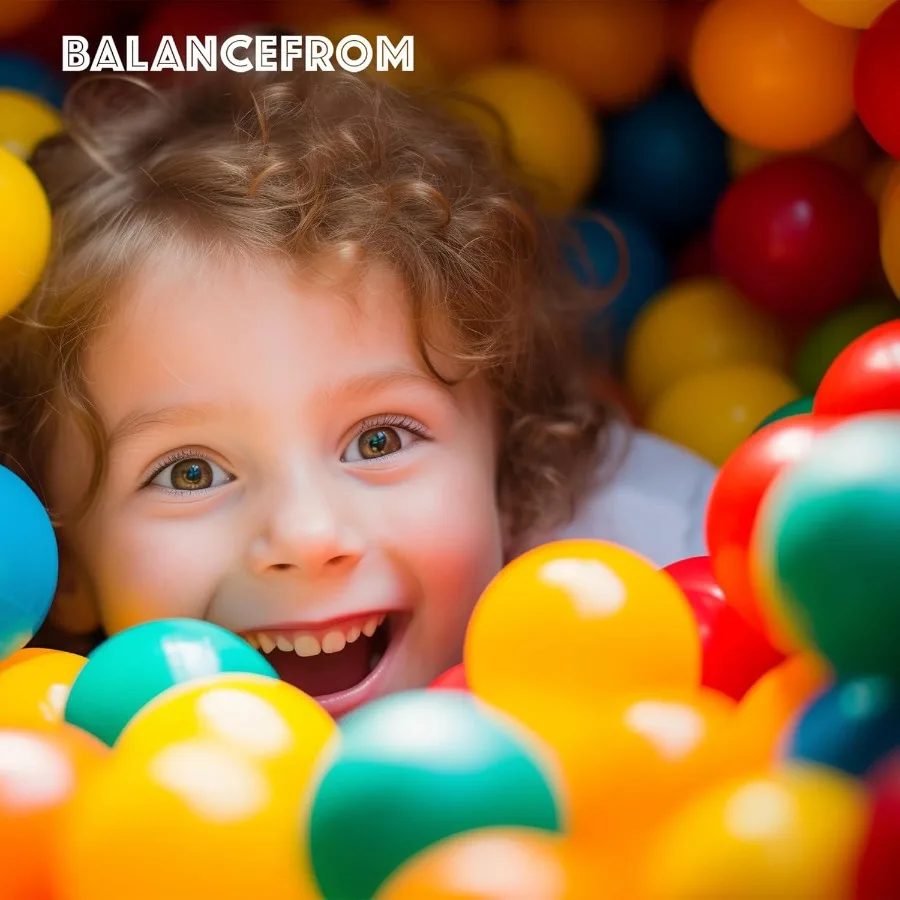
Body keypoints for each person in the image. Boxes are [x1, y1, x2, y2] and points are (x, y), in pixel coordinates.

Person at [0, 68, 714, 717]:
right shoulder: (51, 758)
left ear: (507, 462)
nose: (308, 537)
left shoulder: (663, 577)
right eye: (191, 472)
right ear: (61, 561)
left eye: (380, 439)